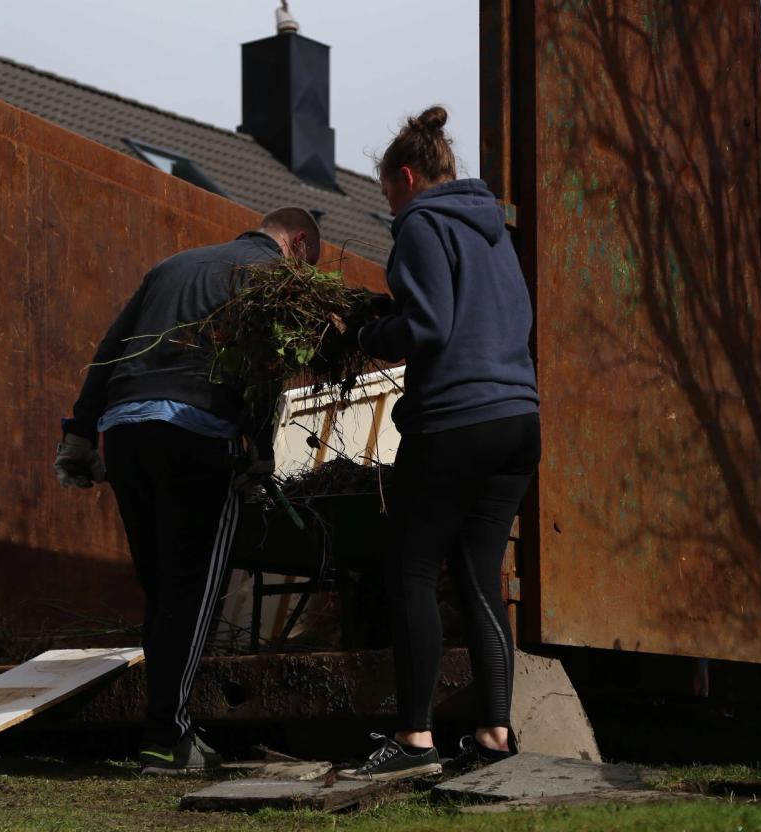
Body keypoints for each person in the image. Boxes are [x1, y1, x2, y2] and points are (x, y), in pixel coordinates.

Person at [54, 207, 321, 774]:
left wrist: (79, 433)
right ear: (298, 242)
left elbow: (111, 347)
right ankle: (167, 737)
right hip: (198, 433)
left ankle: (166, 726)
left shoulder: (171, 266)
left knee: (160, 586)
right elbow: (268, 364)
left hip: (124, 430)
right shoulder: (273, 276)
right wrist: (262, 448)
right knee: (193, 590)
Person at [338, 106, 541, 782]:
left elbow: (428, 325)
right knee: (481, 577)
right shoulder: (494, 233)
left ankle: (415, 738)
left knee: (410, 571)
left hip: (455, 422)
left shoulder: (422, 224)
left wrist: (365, 337)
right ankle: (494, 733)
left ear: (406, 178)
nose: (390, 208)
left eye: (387, 195)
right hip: (518, 421)